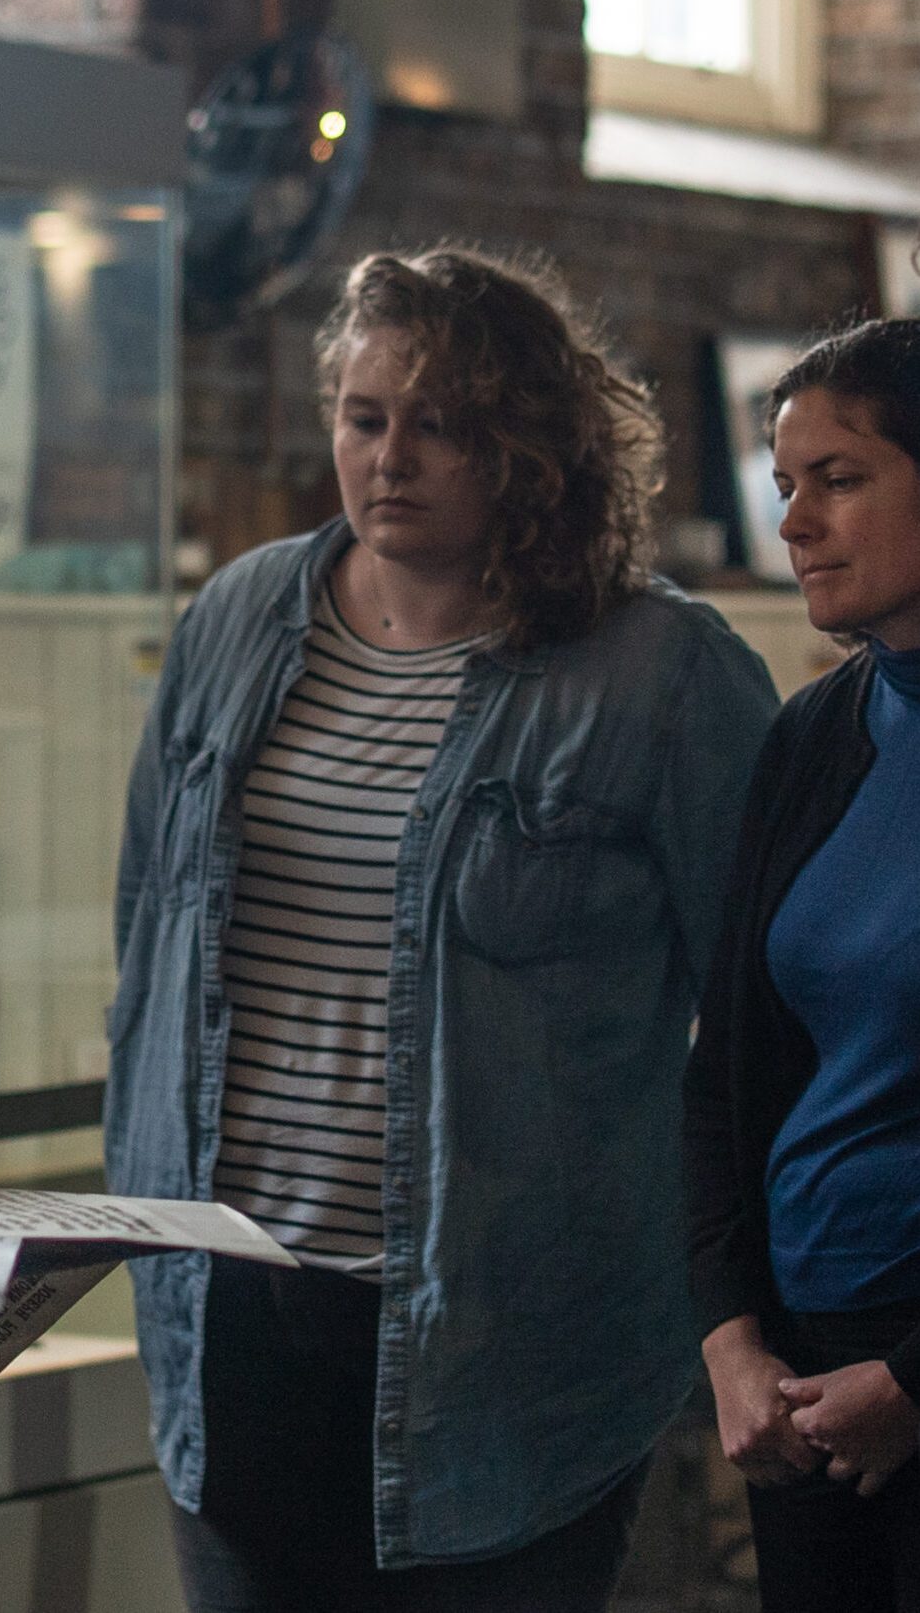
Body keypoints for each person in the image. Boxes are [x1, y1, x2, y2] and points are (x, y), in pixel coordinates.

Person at [103, 247, 778, 1611]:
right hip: (235, 1315)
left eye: (439, 421)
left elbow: (774, 1015)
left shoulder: (657, 669)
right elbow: (147, 936)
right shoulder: (239, 617)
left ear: (527, 444)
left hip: (508, 1340)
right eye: (363, 416)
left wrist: (746, 1304)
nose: (389, 456)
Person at [686, 318, 920, 1613]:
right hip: (795, 1377)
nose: (792, 522)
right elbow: (722, 1064)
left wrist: (914, 1383)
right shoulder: (811, 734)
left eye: (837, 478)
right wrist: (727, 1339)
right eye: (783, 485)